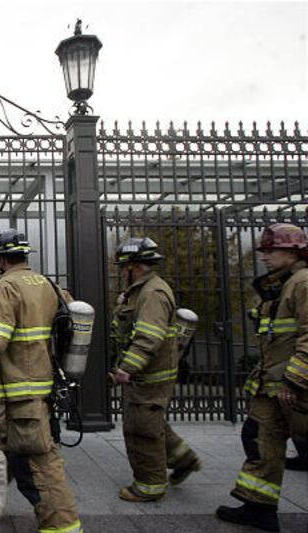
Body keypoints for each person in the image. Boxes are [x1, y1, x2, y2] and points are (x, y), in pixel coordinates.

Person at [0, 229, 83, 533]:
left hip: (18, 393)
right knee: (15, 452)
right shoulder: (47, 284)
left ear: (0, 259)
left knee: (40, 463)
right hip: (41, 388)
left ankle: (63, 525)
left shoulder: (5, 289)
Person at [216, 223, 308, 532]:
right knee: (258, 439)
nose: (265, 256)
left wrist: (295, 380)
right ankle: (258, 507)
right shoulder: (285, 283)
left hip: (293, 386)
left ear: (293, 251)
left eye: (271, 250)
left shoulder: (303, 283)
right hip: (274, 385)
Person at [109, 237, 201, 503]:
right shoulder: (142, 290)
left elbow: (149, 336)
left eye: (123, 267)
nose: (121, 272)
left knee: (142, 429)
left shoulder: (153, 293)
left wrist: (127, 368)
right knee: (152, 421)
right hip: (148, 373)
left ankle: (150, 486)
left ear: (134, 267)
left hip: (149, 375)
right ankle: (184, 459)